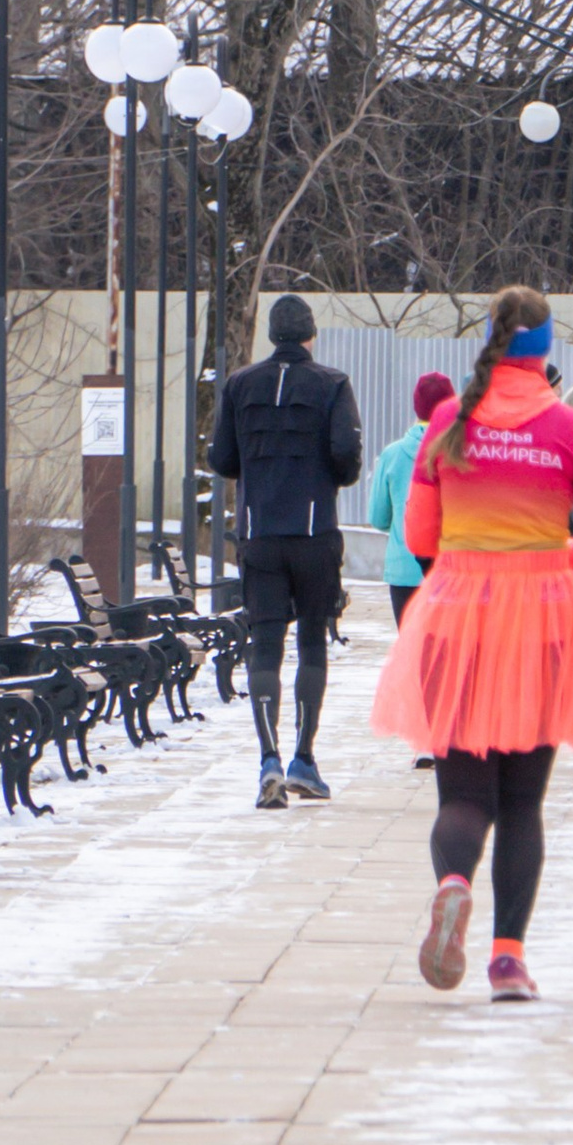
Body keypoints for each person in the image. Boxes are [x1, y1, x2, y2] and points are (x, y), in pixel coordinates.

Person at [371, 285, 573, 1003]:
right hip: (543, 619)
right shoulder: (568, 429)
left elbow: (419, 536)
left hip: (455, 616)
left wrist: (479, 547)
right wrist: (547, 551)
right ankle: (508, 959)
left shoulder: (450, 420)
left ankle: (453, 883)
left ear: (489, 338)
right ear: (546, 351)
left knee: (462, 793)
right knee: (523, 804)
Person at [209, 290, 365, 809]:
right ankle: (304, 757)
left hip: (259, 533)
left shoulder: (238, 385)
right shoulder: (333, 384)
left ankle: (268, 758)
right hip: (314, 532)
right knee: (313, 643)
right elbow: (346, 456)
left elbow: (222, 458)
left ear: (271, 336)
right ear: (310, 335)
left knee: (265, 644)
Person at [365, 368, 454, 625]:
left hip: (403, 571)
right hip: (449, 571)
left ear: (416, 407)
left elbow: (378, 518)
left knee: (413, 654)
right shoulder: (462, 452)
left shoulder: (392, 455)